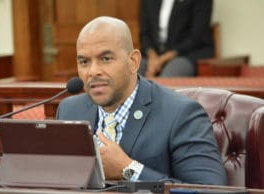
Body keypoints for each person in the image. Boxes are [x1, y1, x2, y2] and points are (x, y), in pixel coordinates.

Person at [56, 16, 227, 185]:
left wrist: (127, 169)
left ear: (133, 62)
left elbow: (211, 189)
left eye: (106, 59)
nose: (93, 71)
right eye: (84, 62)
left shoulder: (181, 114)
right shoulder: (69, 110)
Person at [139, 0, 214, 77]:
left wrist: (161, 60)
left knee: (169, 76)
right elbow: (145, 33)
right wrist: (152, 57)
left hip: (187, 54)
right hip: (153, 55)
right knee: (132, 72)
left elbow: (197, 36)